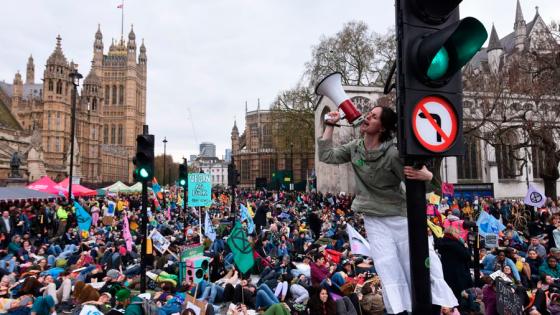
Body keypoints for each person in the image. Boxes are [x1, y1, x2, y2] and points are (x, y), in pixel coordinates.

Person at [318, 106, 458, 313]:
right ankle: (402, 309)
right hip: (374, 218)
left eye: (373, 117)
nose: (367, 117)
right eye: (368, 114)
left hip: (399, 216)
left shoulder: (393, 154)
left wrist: (428, 177)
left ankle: (437, 304)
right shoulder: (355, 147)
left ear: (382, 128)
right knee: (387, 266)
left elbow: (421, 183)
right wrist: (330, 124)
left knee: (417, 260)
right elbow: (327, 155)